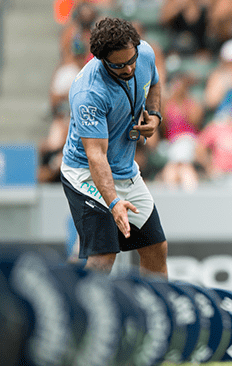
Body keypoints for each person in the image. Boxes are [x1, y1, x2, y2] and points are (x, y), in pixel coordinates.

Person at [60, 17, 168, 278]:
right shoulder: (89, 94)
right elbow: (96, 156)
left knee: (156, 248)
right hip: (86, 174)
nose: (130, 69)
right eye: (119, 65)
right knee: (103, 257)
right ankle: (83, 317)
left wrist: (154, 115)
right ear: (101, 59)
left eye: (131, 60)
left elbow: (153, 83)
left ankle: (154, 314)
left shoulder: (143, 53)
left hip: (124, 170)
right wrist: (114, 202)